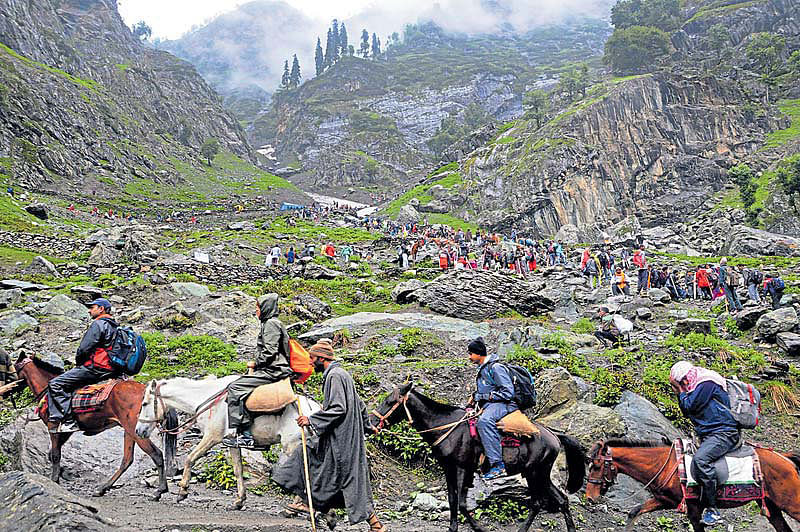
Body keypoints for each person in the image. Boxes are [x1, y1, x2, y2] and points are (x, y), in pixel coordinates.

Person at [272, 339, 386, 532]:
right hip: (347, 439)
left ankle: (309, 503)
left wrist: (311, 420)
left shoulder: (334, 376)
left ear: (322, 358)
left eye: (312, 358)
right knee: (329, 471)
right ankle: (312, 505)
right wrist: (368, 427)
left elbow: (338, 409)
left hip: (339, 441)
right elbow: (360, 405)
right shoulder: (342, 374)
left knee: (309, 457)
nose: (310, 362)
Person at [670, 362, 739, 527]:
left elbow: (688, 407)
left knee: (701, 460)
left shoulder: (706, 383)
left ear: (686, 378)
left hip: (723, 433)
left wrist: (680, 391)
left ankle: (712, 509)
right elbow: (687, 411)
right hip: (709, 433)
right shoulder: (696, 385)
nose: (685, 385)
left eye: (682, 382)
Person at [223, 294, 292, 448]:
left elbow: (269, 351)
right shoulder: (273, 323)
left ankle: (244, 434)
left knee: (235, 388)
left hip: (273, 370)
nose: (256, 311)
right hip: (274, 369)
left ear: (266, 308)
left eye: (258, 308)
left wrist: (257, 363)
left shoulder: (271, 324)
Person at [46, 298, 118, 433]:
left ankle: (68, 420)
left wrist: (79, 363)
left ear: (101, 309)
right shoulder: (115, 326)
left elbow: (84, 348)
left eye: (92, 307)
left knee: (55, 384)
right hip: (112, 370)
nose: (89, 310)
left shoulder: (98, 324)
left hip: (96, 368)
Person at [468, 337, 516, 480]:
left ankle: (498, 465)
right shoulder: (483, 368)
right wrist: (475, 397)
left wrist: (484, 396)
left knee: (484, 421)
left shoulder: (496, 368)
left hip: (504, 404)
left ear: (479, 353)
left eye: (471, 353)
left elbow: (508, 392)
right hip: (490, 404)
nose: (469, 357)